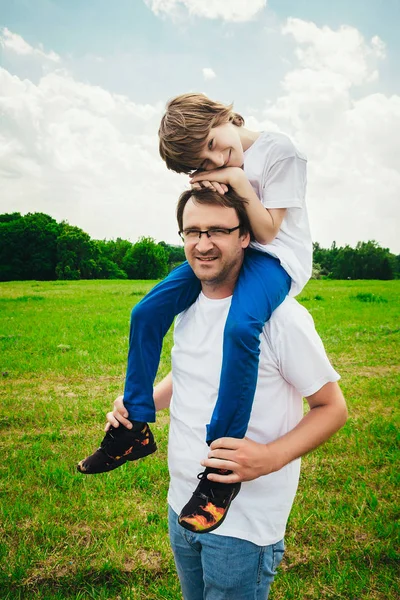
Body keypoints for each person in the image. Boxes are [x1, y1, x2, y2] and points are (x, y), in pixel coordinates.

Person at [77, 92, 312, 533]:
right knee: (146, 312)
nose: (215, 157)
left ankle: (220, 473)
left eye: (212, 142)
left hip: (273, 258)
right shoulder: (211, 167)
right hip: (227, 250)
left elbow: (268, 229)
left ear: (223, 115)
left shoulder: (281, 152)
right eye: (201, 161)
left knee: (241, 327)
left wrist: (237, 181)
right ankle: (135, 426)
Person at [105, 187, 348, 600]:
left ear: (245, 236)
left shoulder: (282, 318)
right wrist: (139, 402)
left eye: (217, 231)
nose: (202, 244)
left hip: (245, 522)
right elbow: (189, 373)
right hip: (182, 499)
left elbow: (332, 407)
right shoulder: (188, 303)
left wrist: (271, 457)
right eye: (192, 232)